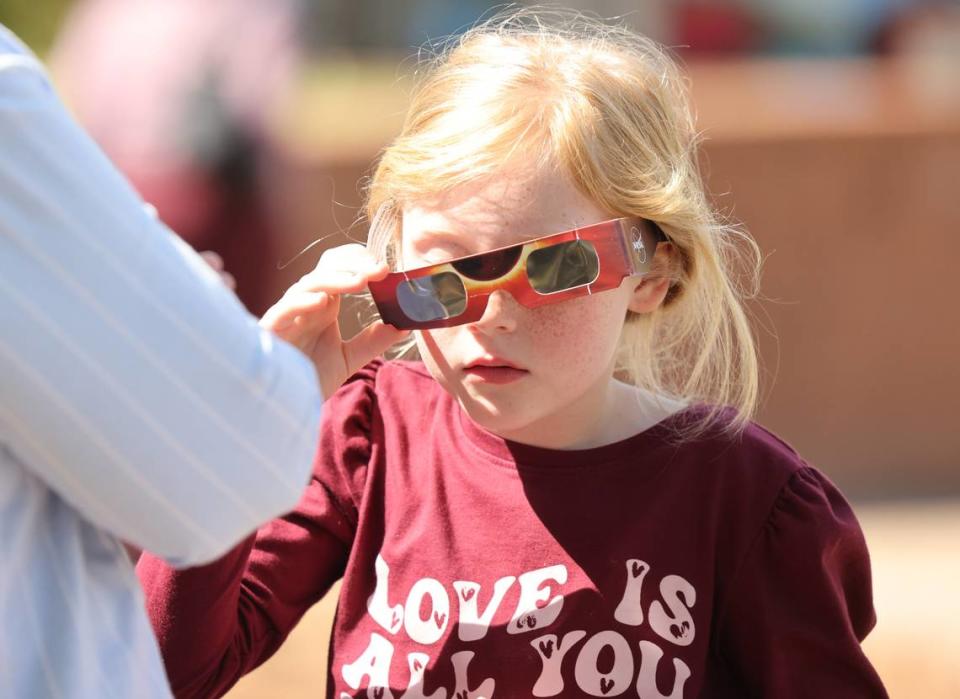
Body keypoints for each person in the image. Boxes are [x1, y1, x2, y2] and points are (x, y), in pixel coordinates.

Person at [137, 9, 888, 698]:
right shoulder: (367, 436)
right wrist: (245, 424)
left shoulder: (749, 503)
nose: (491, 315)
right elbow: (159, 672)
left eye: (551, 267)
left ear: (652, 272)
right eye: (440, 276)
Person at [0, 24, 401, 698]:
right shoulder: (371, 422)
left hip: (122, 198)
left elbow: (82, 106)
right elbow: (221, 455)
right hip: (199, 204)